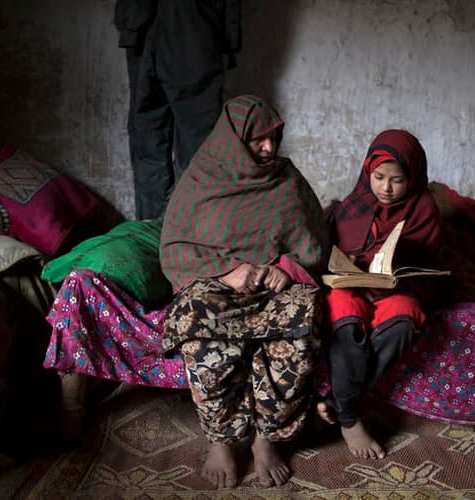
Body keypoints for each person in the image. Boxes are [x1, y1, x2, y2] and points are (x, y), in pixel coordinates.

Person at [159, 94, 330, 488]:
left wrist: (285, 269)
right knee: (193, 317)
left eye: (274, 137)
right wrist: (227, 272)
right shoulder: (201, 179)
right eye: (258, 139)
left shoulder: (287, 180)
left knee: (303, 315)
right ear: (233, 140)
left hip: (273, 289)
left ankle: (266, 440)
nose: (269, 148)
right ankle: (220, 440)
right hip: (219, 287)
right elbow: (175, 247)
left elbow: (314, 244)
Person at [317, 129, 445, 460]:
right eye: (378, 177)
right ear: (366, 172)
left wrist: (392, 282)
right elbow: (329, 254)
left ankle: (338, 404)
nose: (386, 188)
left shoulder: (424, 209)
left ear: (413, 176)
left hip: (396, 289)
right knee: (344, 320)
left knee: (404, 321)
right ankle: (350, 420)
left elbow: (430, 269)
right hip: (352, 285)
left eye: (397, 180)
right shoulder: (351, 205)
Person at [115, 0, 241, 220]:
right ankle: (164, 234)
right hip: (153, 26)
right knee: (155, 139)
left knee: (189, 143)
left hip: (177, 24)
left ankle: (182, 234)